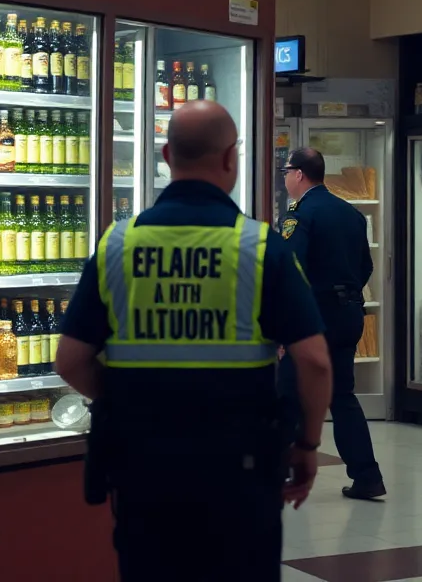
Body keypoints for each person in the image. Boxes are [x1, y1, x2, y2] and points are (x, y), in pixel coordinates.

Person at [55, 101, 333, 582]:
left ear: (166, 155)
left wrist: (126, 399)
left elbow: (70, 360)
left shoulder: (117, 245)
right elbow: (314, 362)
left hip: (143, 467)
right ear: (231, 158)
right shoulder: (260, 247)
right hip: (239, 471)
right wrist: (307, 444)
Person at [281, 147, 386, 500]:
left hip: (313, 317)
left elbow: (291, 271)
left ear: (299, 175)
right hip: (347, 314)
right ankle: (367, 476)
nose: (284, 179)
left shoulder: (300, 215)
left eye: (286, 172)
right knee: (342, 396)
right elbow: (365, 266)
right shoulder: (350, 213)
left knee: (287, 392)